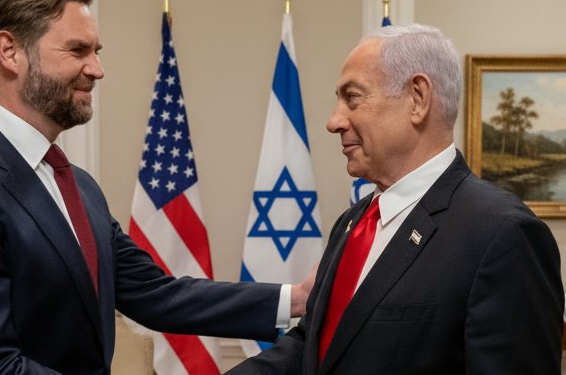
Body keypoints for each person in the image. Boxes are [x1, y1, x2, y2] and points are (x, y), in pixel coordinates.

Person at [0, 0, 315, 374]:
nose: (97, 69)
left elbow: (155, 294)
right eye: (77, 51)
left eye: (96, 52)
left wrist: (296, 298)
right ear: (10, 51)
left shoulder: (76, 183)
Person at [227, 24, 564, 374]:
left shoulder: (502, 234)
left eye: (352, 97)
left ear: (417, 98)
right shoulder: (353, 223)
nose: (334, 121)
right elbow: (313, 346)